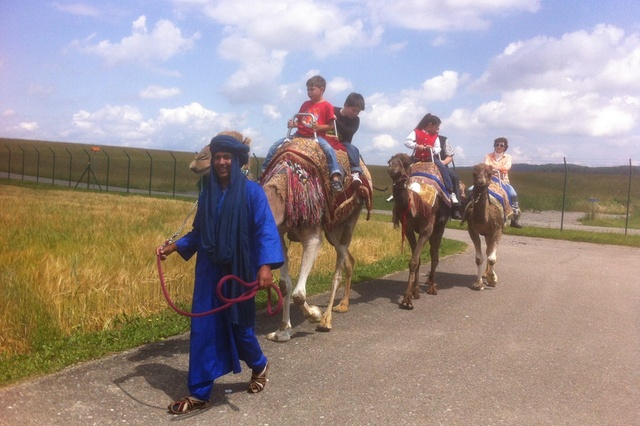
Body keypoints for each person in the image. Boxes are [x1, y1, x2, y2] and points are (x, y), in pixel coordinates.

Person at [156, 133, 285, 415]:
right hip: (209, 272)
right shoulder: (208, 194)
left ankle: (260, 364)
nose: (222, 162)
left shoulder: (253, 193)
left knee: (241, 329)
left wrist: (265, 266)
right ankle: (200, 392)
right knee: (203, 330)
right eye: (218, 157)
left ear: (237, 160)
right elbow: (200, 233)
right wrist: (175, 246)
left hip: (239, 271)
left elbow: (265, 229)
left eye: (228, 157)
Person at [261, 75, 343, 193]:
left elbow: (330, 126)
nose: (309, 92)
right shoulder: (305, 104)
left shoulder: (327, 106)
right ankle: (265, 170)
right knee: (276, 145)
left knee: (328, 149)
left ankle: (335, 175)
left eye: (312, 90)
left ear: (321, 90)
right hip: (299, 134)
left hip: (317, 136)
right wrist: (293, 124)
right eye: (308, 90)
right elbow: (300, 121)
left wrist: (318, 127)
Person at [404, 113, 459, 205]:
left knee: (442, 168)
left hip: (430, 158)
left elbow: (438, 148)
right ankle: (402, 187)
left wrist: (432, 149)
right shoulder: (416, 132)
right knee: (405, 169)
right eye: (436, 127)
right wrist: (417, 146)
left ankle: (450, 191)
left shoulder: (435, 137)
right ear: (430, 125)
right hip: (417, 158)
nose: (437, 129)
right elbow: (407, 142)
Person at [324, 92, 366, 189]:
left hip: (343, 143)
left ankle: (355, 172)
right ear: (346, 105)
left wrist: (334, 121)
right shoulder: (333, 110)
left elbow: (349, 132)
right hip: (326, 139)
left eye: (358, 112)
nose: (355, 114)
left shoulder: (355, 120)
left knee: (353, 149)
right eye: (354, 110)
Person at [483, 137, 522, 228]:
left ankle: (514, 219)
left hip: (503, 181)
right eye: (497, 145)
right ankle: (467, 212)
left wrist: (493, 168)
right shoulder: (488, 156)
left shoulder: (508, 157)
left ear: (505, 147)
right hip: (489, 180)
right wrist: (497, 168)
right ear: (494, 146)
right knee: (471, 189)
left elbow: (507, 167)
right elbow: (486, 165)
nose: (499, 147)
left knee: (513, 194)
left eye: (501, 145)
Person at [439, 136, 463, 220]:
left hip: (441, 165)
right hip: (424, 165)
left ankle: (456, 208)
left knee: (454, 177)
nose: (437, 128)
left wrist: (444, 162)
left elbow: (450, 156)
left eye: (437, 127)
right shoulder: (421, 138)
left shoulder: (443, 139)